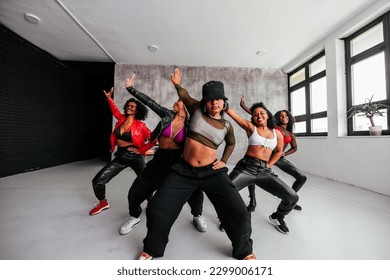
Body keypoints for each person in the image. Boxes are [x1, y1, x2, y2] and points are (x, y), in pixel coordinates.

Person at [138, 68, 255, 260]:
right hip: (184, 171)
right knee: (157, 207)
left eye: (218, 99)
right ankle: (152, 249)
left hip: (212, 173)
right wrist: (176, 84)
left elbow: (232, 143)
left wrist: (224, 161)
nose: (214, 102)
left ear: (224, 101)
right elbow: (184, 95)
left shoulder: (227, 126)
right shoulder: (196, 109)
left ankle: (244, 251)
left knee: (239, 212)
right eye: (210, 99)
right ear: (204, 101)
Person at [118, 73, 207, 235]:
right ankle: (134, 216)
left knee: (195, 191)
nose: (175, 102)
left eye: (179, 101)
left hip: (179, 162)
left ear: (185, 106)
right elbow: (150, 102)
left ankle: (197, 215)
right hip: (160, 159)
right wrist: (131, 89)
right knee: (136, 189)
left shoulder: (191, 124)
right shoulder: (167, 115)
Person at [225, 101, 299, 234]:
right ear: (252, 117)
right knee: (225, 193)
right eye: (255, 115)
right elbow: (233, 114)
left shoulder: (278, 134)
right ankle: (227, 218)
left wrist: (269, 165)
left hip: (264, 171)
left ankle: (278, 217)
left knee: (292, 197)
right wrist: (225, 106)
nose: (258, 116)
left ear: (268, 115)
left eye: (262, 113)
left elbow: (278, 151)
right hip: (246, 167)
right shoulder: (250, 127)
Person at [89, 87, 153, 216]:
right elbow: (115, 110)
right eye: (128, 105)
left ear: (137, 110)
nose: (129, 107)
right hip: (120, 156)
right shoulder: (121, 119)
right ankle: (103, 202)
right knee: (97, 180)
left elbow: (153, 140)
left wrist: (140, 149)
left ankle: (151, 203)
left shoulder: (141, 126)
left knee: (146, 182)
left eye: (132, 106)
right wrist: (109, 98)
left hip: (136, 157)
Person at [240, 97, 306, 212]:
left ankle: (289, 199)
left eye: (285, 115)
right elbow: (258, 115)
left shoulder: (290, 134)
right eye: (280, 115)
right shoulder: (274, 126)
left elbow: (295, 147)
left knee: (302, 177)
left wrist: (285, 153)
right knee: (252, 173)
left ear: (289, 118)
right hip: (263, 157)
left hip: (278, 157)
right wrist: (244, 106)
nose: (283, 117)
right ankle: (252, 201)